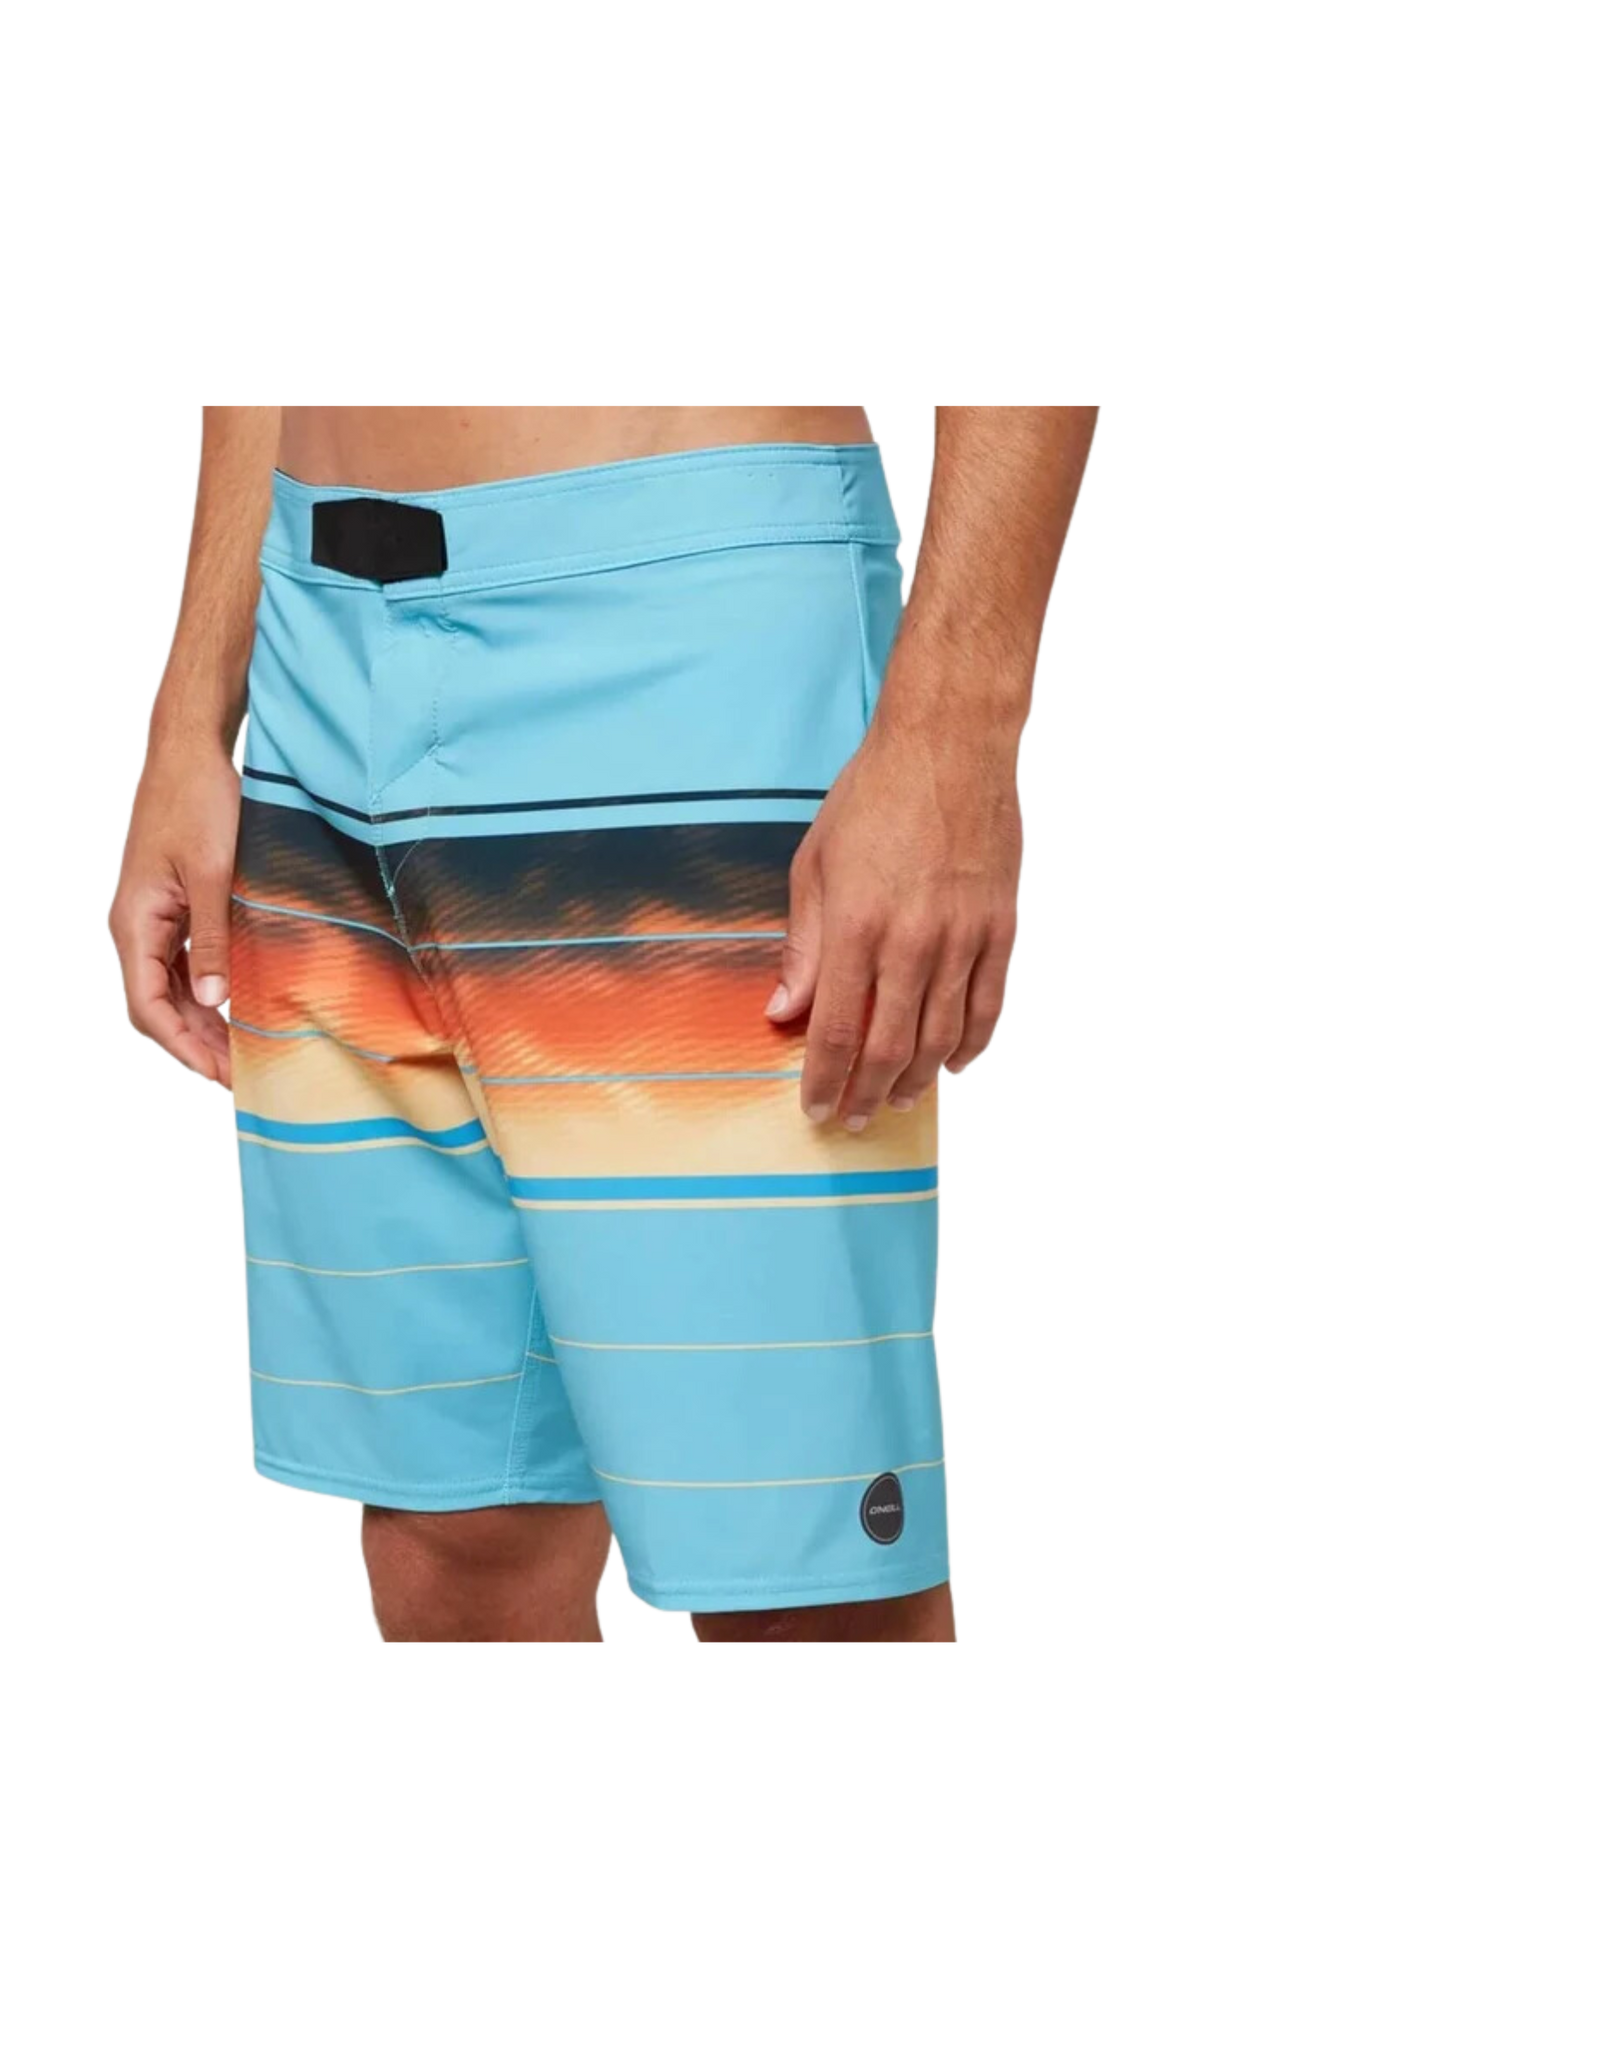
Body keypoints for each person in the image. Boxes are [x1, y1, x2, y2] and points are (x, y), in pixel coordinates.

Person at [107, 403, 1098, 1646]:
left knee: (795, 1580)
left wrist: (954, 733)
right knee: (450, 1532)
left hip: (684, 638)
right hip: (316, 643)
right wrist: (188, 718)